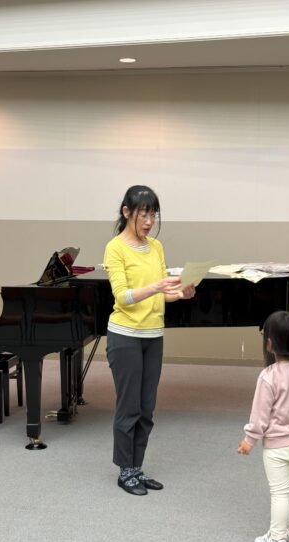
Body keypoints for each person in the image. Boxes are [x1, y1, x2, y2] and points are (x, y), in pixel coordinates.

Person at [104, 185, 196, 496]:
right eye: (143, 214)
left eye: (153, 214)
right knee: (128, 407)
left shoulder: (156, 247)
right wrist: (158, 286)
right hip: (125, 336)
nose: (149, 221)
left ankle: (137, 468)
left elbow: (162, 295)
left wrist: (181, 294)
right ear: (126, 212)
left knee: (146, 408)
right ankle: (125, 471)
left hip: (153, 336)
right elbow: (123, 297)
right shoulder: (115, 248)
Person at [238, 310, 289, 542]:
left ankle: (277, 540)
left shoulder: (268, 376)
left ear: (269, 344)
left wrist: (249, 440)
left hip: (278, 448)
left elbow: (260, 415)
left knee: (280, 493)